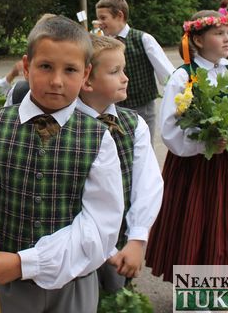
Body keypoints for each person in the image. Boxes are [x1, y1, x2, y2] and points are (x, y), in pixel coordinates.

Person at [0, 15, 124, 312]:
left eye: (70, 70)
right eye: (46, 67)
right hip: (8, 289)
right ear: (27, 67)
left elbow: (100, 226)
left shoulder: (98, 138)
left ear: (86, 74)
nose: (56, 81)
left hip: (73, 284)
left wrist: (25, 263)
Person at [145, 11, 228, 283]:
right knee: (193, 221)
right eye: (218, 34)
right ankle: (192, 289)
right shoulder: (183, 77)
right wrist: (204, 142)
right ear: (198, 40)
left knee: (226, 222)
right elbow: (170, 127)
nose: (227, 39)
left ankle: (222, 283)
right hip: (193, 165)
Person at [76, 35, 163, 292]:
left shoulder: (133, 124)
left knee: (116, 294)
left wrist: (137, 237)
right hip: (75, 245)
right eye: (115, 71)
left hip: (121, 243)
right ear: (87, 80)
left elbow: (147, 184)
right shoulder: (66, 125)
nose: (125, 78)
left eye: (123, 70)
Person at [95, 0, 174, 139]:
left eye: (103, 18)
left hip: (142, 109)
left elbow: (167, 75)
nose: (99, 23)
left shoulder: (143, 39)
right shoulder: (103, 43)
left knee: (142, 147)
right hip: (112, 110)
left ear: (119, 15)